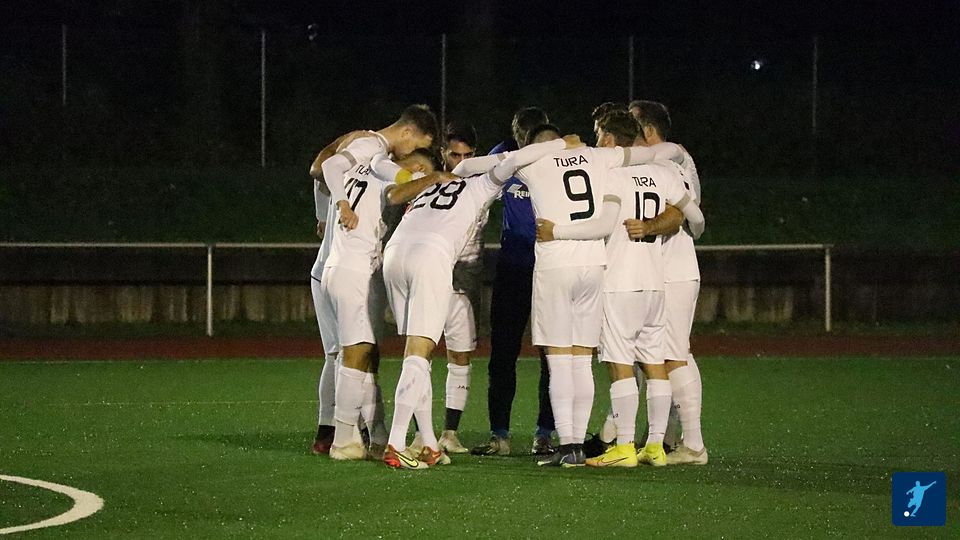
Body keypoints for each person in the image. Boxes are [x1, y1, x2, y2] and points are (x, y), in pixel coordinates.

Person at [457, 123, 686, 467]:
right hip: (594, 265)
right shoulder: (598, 156)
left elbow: (466, 167)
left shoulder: (531, 161)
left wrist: (542, 151)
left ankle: (567, 445)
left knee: (560, 359)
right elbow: (651, 153)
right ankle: (577, 443)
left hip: (556, 264)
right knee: (581, 359)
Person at [380, 134, 584, 469]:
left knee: (418, 355)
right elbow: (513, 161)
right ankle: (396, 443)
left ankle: (428, 442)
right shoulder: (480, 185)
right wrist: (561, 144)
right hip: (430, 255)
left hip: (395, 254)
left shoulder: (435, 182)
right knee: (418, 353)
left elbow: (396, 190)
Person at [538, 110, 704, 468]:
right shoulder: (663, 171)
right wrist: (668, 230)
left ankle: (624, 447)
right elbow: (695, 217)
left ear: (611, 139)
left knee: (620, 364)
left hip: (620, 283)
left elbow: (603, 224)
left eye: (600, 135)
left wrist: (557, 232)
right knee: (655, 363)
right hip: (656, 282)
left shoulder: (610, 175)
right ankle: (655, 447)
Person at [472, 107, 557, 457]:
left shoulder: (557, 159)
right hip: (513, 267)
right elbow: (477, 188)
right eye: (521, 137)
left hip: (550, 268)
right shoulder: (504, 156)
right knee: (503, 352)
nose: (525, 143)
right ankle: (500, 434)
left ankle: (545, 433)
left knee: (553, 354)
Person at [630, 100, 708, 465]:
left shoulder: (666, 160)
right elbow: (696, 220)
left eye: (631, 126)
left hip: (674, 268)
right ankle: (668, 437)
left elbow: (684, 216)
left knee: (675, 354)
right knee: (656, 354)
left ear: (648, 131)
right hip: (665, 267)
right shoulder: (672, 161)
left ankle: (694, 445)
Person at [308, 130, 367, 454]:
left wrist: (321, 216)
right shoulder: (372, 171)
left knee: (339, 355)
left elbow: (318, 174)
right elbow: (318, 170)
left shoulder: (343, 174)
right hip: (340, 273)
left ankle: (330, 430)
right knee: (349, 353)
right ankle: (347, 430)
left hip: (327, 272)